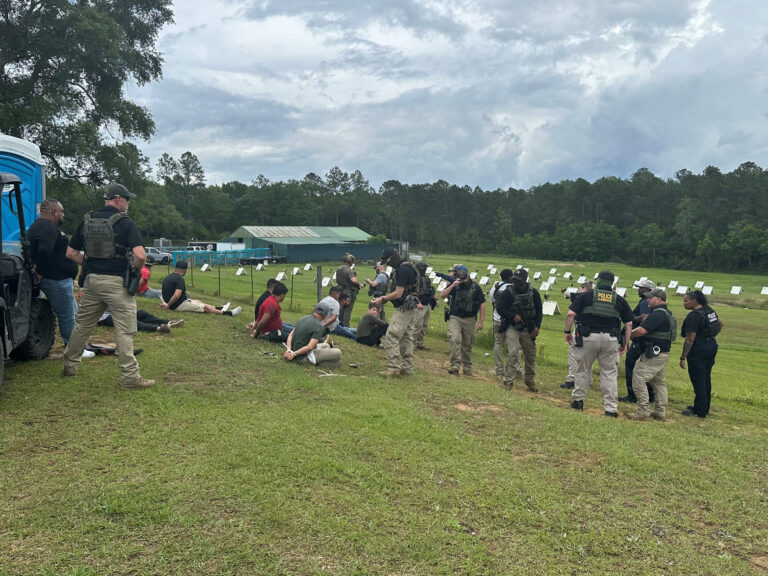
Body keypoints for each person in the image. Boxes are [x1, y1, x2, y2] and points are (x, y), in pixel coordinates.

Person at [62, 182, 154, 389]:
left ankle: (70, 365)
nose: (128, 204)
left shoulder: (86, 221)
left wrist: (89, 264)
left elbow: (71, 253)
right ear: (118, 199)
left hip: (92, 281)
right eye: (127, 200)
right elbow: (140, 255)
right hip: (117, 284)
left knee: (82, 326)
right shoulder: (125, 223)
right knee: (125, 330)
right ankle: (129, 377)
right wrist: (135, 271)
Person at [564, 270, 633, 417]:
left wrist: (567, 332)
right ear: (612, 282)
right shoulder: (619, 300)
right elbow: (629, 324)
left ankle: (578, 401)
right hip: (611, 340)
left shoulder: (586, 296)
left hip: (587, 338)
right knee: (609, 374)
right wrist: (625, 343)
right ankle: (610, 409)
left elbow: (570, 314)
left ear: (599, 281)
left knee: (583, 370)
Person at [27, 198, 78, 344]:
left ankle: (76, 345)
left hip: (60, 280)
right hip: (56, 280)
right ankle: (73, 348)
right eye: (61, 212)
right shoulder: (46, 227)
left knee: (73, 313)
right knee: (67, 315)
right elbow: (44, 251)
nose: (63, 215)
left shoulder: (43, 226)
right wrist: (40, 271)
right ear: (54, 212)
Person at [626, 288, 676, 421]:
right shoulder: (668, 313)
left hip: (653, 354)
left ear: (658, 299)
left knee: (638, 377)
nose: (647, 300)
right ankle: (660, 412)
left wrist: (627, 336)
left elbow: (642, 331)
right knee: (659, 382)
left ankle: (643, 410)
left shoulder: (657, 314)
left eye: (650, 297)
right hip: (663, 353)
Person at [371, 247, 420, 378]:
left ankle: (393, 367)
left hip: (404, 307)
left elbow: (398, 293)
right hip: (411, 306)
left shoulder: (403, 269)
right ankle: (407, 368)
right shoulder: (408, 265)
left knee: (392, 335)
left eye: (387, 259)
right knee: (406, 338)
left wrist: (383, 298)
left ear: (393, 257)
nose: (386, 262)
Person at [496, 268, 542, 392]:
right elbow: (500, 308)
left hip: (529, 328)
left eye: (519, 280)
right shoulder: (508, 292)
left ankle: (530, 380)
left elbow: (539, 310)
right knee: (513, 352)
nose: (516, 282)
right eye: (514, 280)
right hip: (512, 327)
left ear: (525, 280)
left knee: (530, 355)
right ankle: (508, 380)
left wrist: (537, 327)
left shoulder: (534, 293)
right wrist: (512, 316)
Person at [679, 290, 723, 418]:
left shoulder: (693, 316)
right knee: (705, 378)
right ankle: (704, 406)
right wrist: (710, 336)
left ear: (694, 301)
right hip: (711, 346)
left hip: (699, 348)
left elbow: (689, 339)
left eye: (686, 301)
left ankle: (699, 410)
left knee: (698, 379)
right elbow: (720, 324)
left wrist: (683, 356)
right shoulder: (709, 310)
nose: (684, 303)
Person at [440, 265, 485, 376]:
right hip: (455, 316)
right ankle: (455, 365)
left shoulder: (475, 287)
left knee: (467, 344)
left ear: (468, 276)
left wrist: (481, 321)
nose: (462, 279)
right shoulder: (455, 284)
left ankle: (467, 367)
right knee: (454, 339)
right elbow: (442, 295)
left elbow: (482, 304)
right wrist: (452, 285)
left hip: (470, 319)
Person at [619, 278, 656, 403]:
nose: (639, 290)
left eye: (642, 288)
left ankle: (632, 395)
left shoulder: (646, 301)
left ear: (648, 290)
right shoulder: (649, 301)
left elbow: (644, 317)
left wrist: (632, 318)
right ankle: (650, 395)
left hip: (640, 339)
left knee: (631, 365)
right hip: (647, 339)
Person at [161, 261, 241, 316]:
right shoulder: (180, 279)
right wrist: (168, 305)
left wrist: (166, 303)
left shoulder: (169, 276)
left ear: (175, 268)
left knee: (198, 301)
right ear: (185, 270)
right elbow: (176, 296)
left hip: (176, 302)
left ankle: (220, 308)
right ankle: (229, 313)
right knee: (204, 308)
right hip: (177, 305)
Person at [283, 301, 343, 367]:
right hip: (302, 357)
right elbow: (310, 347)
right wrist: (294, 354)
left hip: (294, 351)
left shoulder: (303, 318)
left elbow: (290, 335)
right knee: (338, 354)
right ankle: (318, 363)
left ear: (314, 310)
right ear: (325, 315)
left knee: (326, 346)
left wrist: (289, 349)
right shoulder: (319, 326)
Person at [562, 281, 593, 389]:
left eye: (582, 287)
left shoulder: (582, 296)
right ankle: (588, 379)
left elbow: (567, 295)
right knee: (588, 356)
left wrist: (567, 331)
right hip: (594, 330)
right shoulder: (596, 298)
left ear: (586, 289)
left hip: (581, 328)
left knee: (573, 353)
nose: (580, 289)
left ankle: (572, 379)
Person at [490, 269, 515, 380]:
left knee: (498, 344)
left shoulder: (496, 286)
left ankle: (499, 369)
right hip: (510, 320)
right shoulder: (513, 288)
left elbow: (492, 300)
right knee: (513, 346)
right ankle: (513, 369)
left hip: (497, 318)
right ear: (510, 277)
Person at [413, 261, 437, 350]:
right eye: (425, 268)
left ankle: (419, 343)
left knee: (424, 325)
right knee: (417, 325)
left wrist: (436, 299)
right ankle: (412, 344)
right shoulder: (415, 279)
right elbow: (413, 292)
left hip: (427, 304)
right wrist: (417, 302)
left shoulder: (426, 279)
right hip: (419, 304)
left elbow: (430, 290)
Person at [99, 308, 184, 333]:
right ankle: (158, 328)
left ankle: (166, 322)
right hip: (104, 317)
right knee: (128, 320)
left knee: (142, 313)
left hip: (119, 311)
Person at [335, 253, 361, 327]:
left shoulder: (339, 269)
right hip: (348, 292)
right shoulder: (349, 270)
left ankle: (339, 323)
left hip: (340, 291)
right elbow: (353, 280)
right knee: (348, 309)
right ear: (351, 262)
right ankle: (346, 325)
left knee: (341, 307)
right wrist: (359, 283)